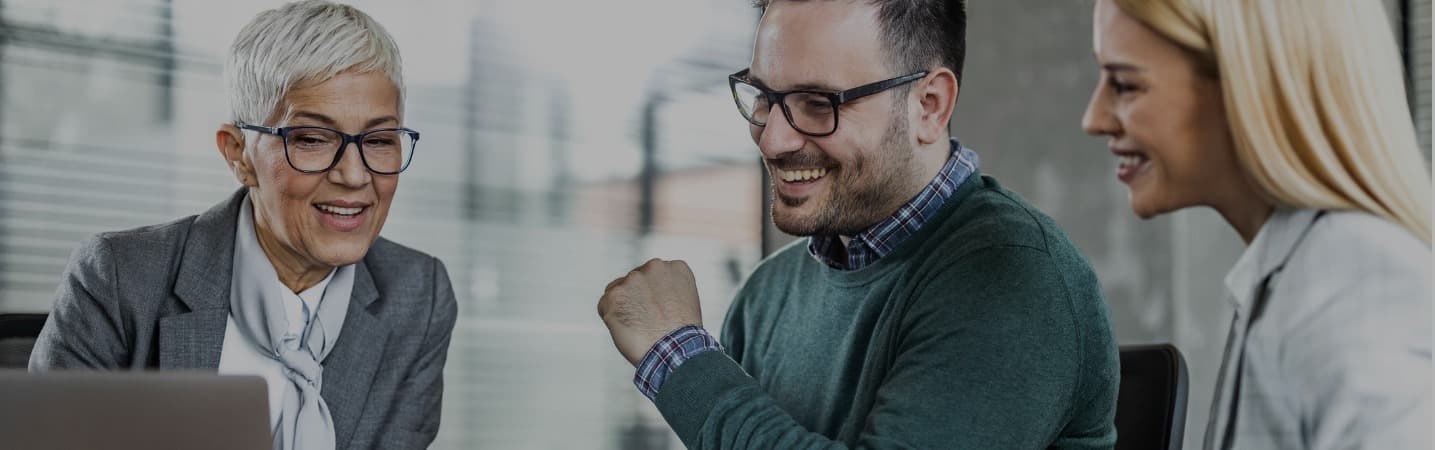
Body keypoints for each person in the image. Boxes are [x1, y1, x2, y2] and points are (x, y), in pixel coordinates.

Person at [596, 0, 1119, 448]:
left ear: (929, 106)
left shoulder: (1015, 277)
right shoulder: (765, 297)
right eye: (764, 98)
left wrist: (680, 357)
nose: (772, 140)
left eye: (817, 103)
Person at [28, 1, 458, 449]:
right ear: (238, 154)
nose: (354, 175)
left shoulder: (417, 297)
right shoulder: (119, 278)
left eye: (379, 140)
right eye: (311, 139)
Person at [1081, 0, 1432, 448]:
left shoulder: (1355, 284)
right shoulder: (1290, 276)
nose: (1094, 119)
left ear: (1248, 86)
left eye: (1125, 85)